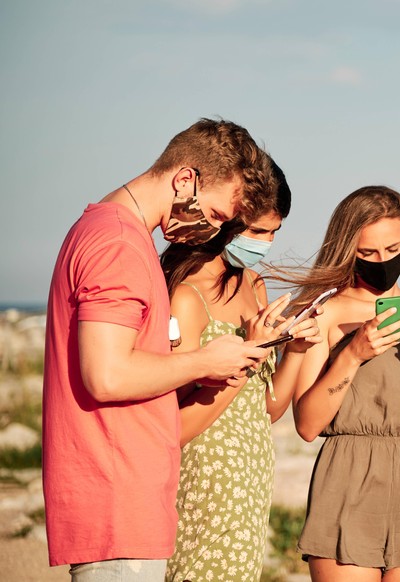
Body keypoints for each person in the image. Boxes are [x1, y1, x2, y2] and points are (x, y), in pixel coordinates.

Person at [42, 118, 275, 581]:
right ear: (185, 179)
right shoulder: (119, 243)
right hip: (118, 504)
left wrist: (199, 370)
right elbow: (105, 375)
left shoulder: (113, 232)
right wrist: (206, 360)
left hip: (124, 504)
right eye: (213, 214)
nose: (213, 230)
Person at [288, 186, 400, 582]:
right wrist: (353, 354)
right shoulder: (324, 311)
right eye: (367, 253)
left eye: (391, 249)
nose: (382, 262)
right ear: (348, 248)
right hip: (346, 479)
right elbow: (307, 425)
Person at [161, 161, 321, 582]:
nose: (265, 244)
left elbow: (266, 409)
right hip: (204, 482)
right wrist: (249, 355)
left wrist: (297, 350)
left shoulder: (254, 285)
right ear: (224, 221)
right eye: (255, 231)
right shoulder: (187, 296)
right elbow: (173, 428)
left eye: (273, 233)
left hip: (251, 479)